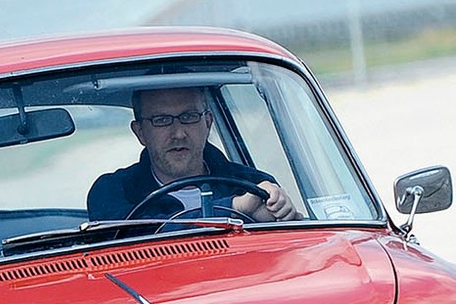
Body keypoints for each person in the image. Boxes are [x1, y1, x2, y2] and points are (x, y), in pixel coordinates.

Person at [86, 87, 302, 223]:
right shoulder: (112, 191)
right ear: (140, 132)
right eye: (161, 120)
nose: (178, 133)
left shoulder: (252, 184)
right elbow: (132, 237)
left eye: (189, 117)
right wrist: (234, 209)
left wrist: (279, 215)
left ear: (207, 123)